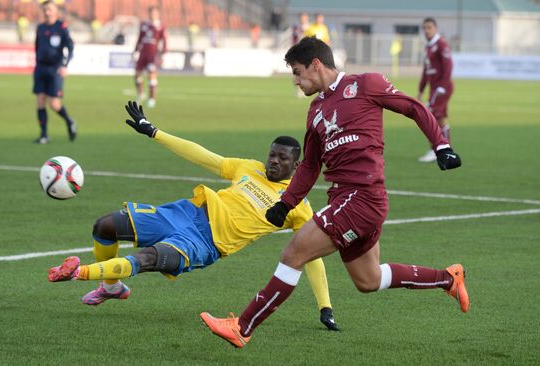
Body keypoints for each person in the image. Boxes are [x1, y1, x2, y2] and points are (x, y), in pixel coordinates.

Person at [200, 36, 467, 348]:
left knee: (293, 253)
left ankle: (242, 327)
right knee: (369, 281)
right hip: (346, 200)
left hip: (362, 196)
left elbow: (412, 107)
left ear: (316, 64)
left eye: (298, 73)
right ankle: (449, 279)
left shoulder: (366, 84)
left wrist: (441, 146)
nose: (297, 82)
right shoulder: (315, 111)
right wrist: (285, 204)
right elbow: (310, 166)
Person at [47, 101, 340, 331]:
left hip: (205, 244)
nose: (273, 162)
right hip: (186, 212)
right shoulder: (248, 168)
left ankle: (78, 273)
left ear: (297, 164)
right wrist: (154, 132)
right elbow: (203, 155)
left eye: (282, 158)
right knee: (105, 226)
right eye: (271, 155)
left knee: (149, 258)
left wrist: (324, 306)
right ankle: (111, 287)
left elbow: (310, 256)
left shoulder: (297, 204)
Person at [32, 0, 76, 144]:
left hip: (55, 69)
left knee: (54, 104)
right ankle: (44, 135)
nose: (47, 12)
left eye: (49, 9)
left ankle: (69, 121)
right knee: (40, 101)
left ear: (56, 11)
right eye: (45, 10)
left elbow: (70, 48)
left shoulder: (61, 27)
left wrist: (65, 65)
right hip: (40, 68)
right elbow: (37, 47)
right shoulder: (40, 28)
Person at [417, 17, 454, 163]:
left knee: (429, 116)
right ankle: (447, 149)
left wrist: (442, 87)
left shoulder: (441, 44)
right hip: (434, 88)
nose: (426, 31)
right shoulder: (428, 46)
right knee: (440, 118)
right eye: (424, 28)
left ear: (436, 28)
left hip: (441, 88)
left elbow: (448, 66)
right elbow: (426, 71)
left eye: (429, 28)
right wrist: (421, 89)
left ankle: (436, 150)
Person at [134, 6, 167, 109]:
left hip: (153, 53)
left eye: (155, 13)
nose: (153, 15)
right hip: (143, 52)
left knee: (152, 75)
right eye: (151, 13)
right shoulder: (144, 25)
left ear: (158, 14)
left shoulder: (160, 26)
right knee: (137, 74)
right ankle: (141, 94)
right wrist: (136, 50)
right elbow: (140, 37)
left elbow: (164, 40)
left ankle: (152, 99)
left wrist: (163, 53)